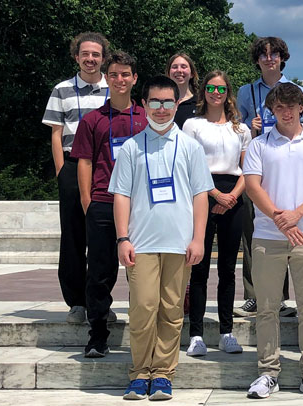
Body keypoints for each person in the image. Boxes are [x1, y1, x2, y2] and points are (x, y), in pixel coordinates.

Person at [109, 75, 213, 400]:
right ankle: (140, 373)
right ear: (144, 105)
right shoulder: (130, 147)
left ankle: (163, 374)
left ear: (177, 103)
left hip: (179, 244)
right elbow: (121, 196)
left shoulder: (191, 147)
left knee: (171, 310)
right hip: (141, 243)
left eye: (168, 102)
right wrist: (122, 238)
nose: (162, 108)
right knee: (142, 308)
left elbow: (201, 196)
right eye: (155, 101)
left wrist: (198, 239)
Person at [242, 82, 303, 399]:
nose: (285, 111)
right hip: (268, 236)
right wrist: (282, 219)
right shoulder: (259, 145)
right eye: (279, 106)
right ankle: (268, 372)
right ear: (272, 111)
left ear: (300, 108)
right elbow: (253, 187)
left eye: (291, 105)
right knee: (267, 308)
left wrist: (296, 215)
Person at [70, 51, 147, 358]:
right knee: (100, 273)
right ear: (107, 78)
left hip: (141, 205)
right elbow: (84, 162)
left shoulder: (146, 118)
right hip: (103, 202)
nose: (119, 80)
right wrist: (88, 201)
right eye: (113, 74)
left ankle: (143, 335)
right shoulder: (93, 120)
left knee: (140, 272)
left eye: (125, 74)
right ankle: (98, 334)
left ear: (134, 79)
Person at [235, 37, 303, 317]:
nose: (269, 59)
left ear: (282, 58)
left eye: (274, 54)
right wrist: (246, 125)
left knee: (289, 229)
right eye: (263, 55)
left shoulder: (298, 90)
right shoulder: (246, 92)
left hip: (289, 167)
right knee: (255, 234)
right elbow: (234, 129)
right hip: (258, 164)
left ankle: (281, 297)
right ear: (257, 60)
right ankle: (254, 294)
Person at [183, 71, 251, 357]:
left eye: (221, 88)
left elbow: (249, 169)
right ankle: (196, 333)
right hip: (202, 192)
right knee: (198, 269)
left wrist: (232, 196)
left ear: (228, 93)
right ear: (204, 91)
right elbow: (188, 164)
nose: (215, 92)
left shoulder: (241, 129)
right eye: (210, 87)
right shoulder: (192, 124)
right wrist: (214, 195)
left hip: (234, 194)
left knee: (227, 270)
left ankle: (226, 331)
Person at [42, 32, 109, 323]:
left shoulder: (113, 88)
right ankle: (77, 303)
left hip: (106, 168)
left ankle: (100, 302)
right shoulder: (62, 89)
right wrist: (61, 171)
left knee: (104, 238)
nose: (91, 59)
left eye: (96, 54)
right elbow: (56, 134)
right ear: (76, 57)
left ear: (103, 58)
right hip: (71, 164)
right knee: (72, 236)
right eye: (85, 54)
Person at [167, 53, 199, 130]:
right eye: (174, 67)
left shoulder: (200, 103)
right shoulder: (160, 103)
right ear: (168, 74)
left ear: (192, 74)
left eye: (184, 67)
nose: (179, 70)